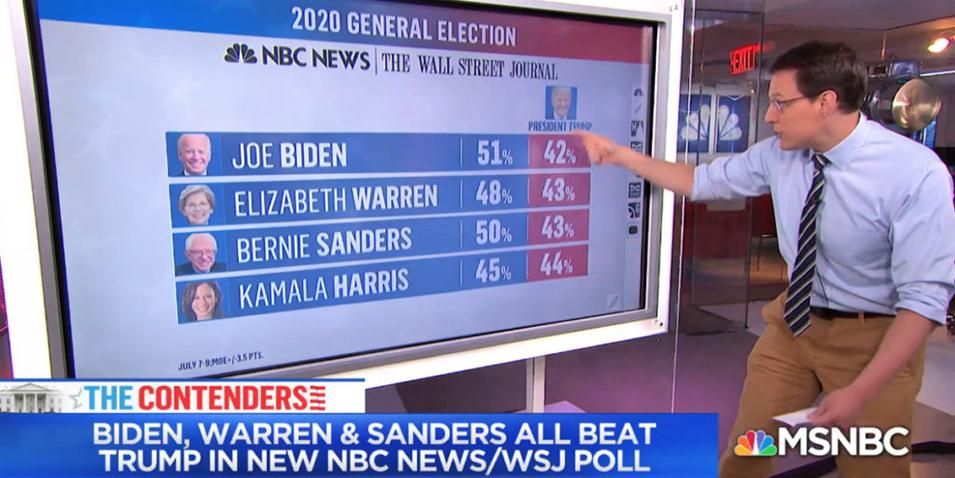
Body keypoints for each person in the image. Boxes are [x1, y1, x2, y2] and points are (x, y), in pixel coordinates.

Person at [577, 41, 955, 478]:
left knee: (873, 469)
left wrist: (859, 392)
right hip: (794, 327)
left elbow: (923, 301)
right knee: (749, 450)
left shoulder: (914, 173)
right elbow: (701, 181)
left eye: (780, 103)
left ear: (825, 102)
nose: (770, 116)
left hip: (874, 338)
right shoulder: (779, 154)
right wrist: (621, 156)